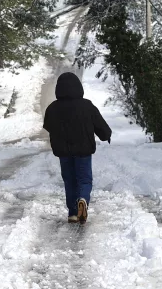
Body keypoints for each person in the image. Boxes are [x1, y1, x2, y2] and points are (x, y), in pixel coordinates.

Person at [43, 72, 112, 224]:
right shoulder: (87, 105)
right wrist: (106, 135)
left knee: (69, 180)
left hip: (63, 151)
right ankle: (83, 200)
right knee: (84, 180)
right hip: (83, 150)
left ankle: (73, 213)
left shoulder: (53, 108)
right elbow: (100, 124)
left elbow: (48, 126)